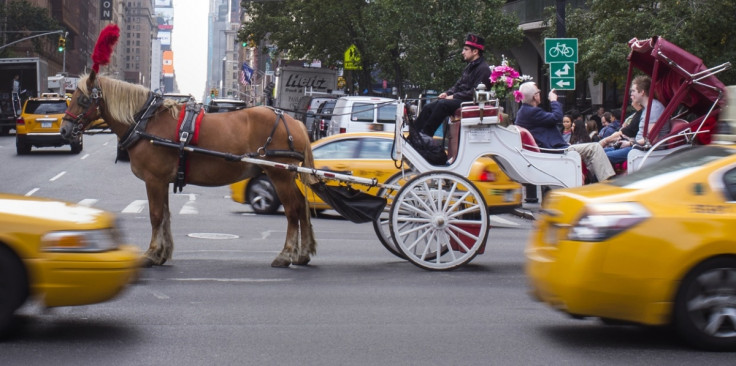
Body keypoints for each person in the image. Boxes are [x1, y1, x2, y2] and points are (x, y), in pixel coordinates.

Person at [515, 81, 615, 182]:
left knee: (590, 154)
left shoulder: (524, 112)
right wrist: (553, 101)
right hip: (553, 151)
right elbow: (557, 117)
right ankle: (608, 184)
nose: (540, 94)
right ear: (535, 96)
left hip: (550, 150)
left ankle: (594, 182)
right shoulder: (531, 112)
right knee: (595, 147)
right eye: (538, 92)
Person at [413, 33, 491, 137]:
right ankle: (414, 134)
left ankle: (426, 135)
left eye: (465, 49)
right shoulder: (469, 67)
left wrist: (453, 96)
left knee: (442, 105)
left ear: (475, 51)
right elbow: (458, 85)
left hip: (470, 102)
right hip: (461, 99)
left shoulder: (483, 69)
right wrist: (447, 93)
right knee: (428, 107)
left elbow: (475, 93)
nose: (462, 52)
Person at [600, 75, 667, 164]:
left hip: (643, 150)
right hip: (638, 147)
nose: (631, 94)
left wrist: (630, 143)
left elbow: (651, 139)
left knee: (600, 157)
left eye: (633, 91)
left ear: (642, 92)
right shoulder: (647, 108)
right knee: (599, 153)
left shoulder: (653, 108)